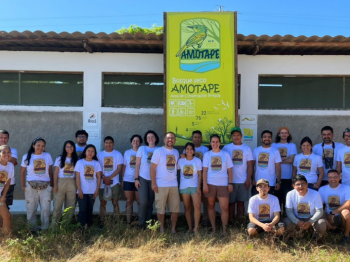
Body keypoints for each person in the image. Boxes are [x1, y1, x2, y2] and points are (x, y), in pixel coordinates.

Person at [20, 137, 53, 231]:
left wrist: (52, 184)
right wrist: (23, 185)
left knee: (46, 207)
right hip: (30, 185)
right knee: (31, 207)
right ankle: (32, 228)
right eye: (38, 145)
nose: (40, 147)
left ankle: (45, 228)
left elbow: (51, 171)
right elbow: (22, 172)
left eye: (43, 146)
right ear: (33, 145)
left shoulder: (47, 156)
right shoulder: (26, 156)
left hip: (45, 186)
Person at [203, 134, 233, 234]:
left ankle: (224, 230)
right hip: (210, 183)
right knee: (210, 206)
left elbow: (230, 170)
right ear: (210, 143)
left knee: (224, 207)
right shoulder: (207, 154)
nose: (215, 144)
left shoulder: (225, 154)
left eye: (217, 142)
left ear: (219, 143)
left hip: (223, 184)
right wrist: (205, 184)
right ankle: (214, 229)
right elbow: (204, 171)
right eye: (213, 142)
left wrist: (230, 183)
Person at [151, 132, 180, 234]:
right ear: (164, 140)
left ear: (175, 140)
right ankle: (162, 229)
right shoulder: (159, 151)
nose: (170, 140)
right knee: (160, 208)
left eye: (172, 138)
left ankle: (173, 229)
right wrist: (153, 183)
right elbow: (152, 168)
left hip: (173, 184)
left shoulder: (176, 152)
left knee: (175, 208)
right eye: (168, 138)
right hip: (161, 185)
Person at [223, 127, 253, 223]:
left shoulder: (247, 148)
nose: (236, 137)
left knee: (241, 203)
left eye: (238, 135)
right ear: (231, 137)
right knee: (231, 203)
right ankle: (231, 221)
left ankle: (240, 221)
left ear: (241, 136)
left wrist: (248, 179)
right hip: (230, 181)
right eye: (234, 135)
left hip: (243, 180)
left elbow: (250, 165)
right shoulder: (226, 148)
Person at [283, 175, 326, 239]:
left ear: (307, 184)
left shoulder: (315, 194)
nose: (301, 186)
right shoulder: (290, 194)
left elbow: (319, 211)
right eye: (298, 184)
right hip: (297, 218)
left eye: (303, 184)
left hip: (311, 218)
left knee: (321, 223)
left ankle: (315, 239)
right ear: (294, 186)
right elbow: (289, 211)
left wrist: (310, 221)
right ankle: (294, 237)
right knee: (287, 222)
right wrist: (297, 221)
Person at [135, 130, 159, 229]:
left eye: (152, 137)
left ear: (156, 138)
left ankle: (148, 223)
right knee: (143, 202)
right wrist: (136, 179)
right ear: (146, 139)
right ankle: (141, 223)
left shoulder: (159, 149)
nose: (150, 139)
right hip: (143, 178)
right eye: (148, 137)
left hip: (155, 180)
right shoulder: (142, 148)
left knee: (150, 203)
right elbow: (137, 165)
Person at [318, 169, 350, 245]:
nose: (333, 179)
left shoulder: (346, 188)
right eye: (330, 177)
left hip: (341, 216)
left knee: (346, 212)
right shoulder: (322, 189)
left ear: (339, 178)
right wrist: (325, 219)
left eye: (335, 177)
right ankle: (331, 230)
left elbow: (348, 204)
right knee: (318, 214)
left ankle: (346, 236)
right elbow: (319, 207)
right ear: (327, 178)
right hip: (328, 216)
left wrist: (333, 212)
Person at [97, 136, 123, 227]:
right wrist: (104, 177)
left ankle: (117, 221)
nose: (108, 144)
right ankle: (102, 222)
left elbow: (119, 169)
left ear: (113, 144)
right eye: (107, 142)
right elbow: (98, 169)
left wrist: (109, 178)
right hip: (102, 183)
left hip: (114, 182)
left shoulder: (118, 154)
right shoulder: (99, 155)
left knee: (115, 202)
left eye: (110, 142)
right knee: (103, 203)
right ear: (104, 144)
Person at [51, 140, 79, 227]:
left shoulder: (77, 159)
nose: (69, 148)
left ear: (74, 148)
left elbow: (78, 174)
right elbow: (55, 172)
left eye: (71, 146)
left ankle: (65, 226)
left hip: (72, 182)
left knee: (70, 206)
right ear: (64, 148)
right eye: (67, 146)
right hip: (61, 182)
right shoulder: (60, 158)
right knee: (57, 206)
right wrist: (55, 185)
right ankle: (54, 227)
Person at [178, 142, 202, 235]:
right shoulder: (181, 161)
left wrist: (199, 187)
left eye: (191, 149)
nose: (189, 151)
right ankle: (190, 228)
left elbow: (200, 174)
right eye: (187, 149)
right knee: (187, 207)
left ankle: (196, 228)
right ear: (185, 150)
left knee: (197, 206)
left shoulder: (197, 161)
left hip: (195, 186)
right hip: (184, 187)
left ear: (194, 151)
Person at [75, 144, 102, 227]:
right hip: (82, 191)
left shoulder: (96, 163)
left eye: (92, 151)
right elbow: (77, 177)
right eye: (88, 151)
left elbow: (99, 177)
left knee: (90, 210)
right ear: (85, 152)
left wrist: (97, 190)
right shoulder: (80, 162)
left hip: (92, 190)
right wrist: (79, 189)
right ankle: (81, 227)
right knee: (82, 210)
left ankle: (89, 226)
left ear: (94, 153)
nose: (90, 153)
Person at [272, 127, 297, 214]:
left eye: (286, 133)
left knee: (287, 200)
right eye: (282, 133)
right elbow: (272, 161)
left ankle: (287, 219)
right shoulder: (274, 145)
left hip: (288, 177)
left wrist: (278, 160)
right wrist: (287, 158)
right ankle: (278, 219)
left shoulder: (292, 145)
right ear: (279, 134)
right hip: (276, 178)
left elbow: (292, 160)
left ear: (288, 134)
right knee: (277, 200)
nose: (284, 134)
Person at [252, 130, 282, 196]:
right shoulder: (256, 150)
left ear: (271, 139)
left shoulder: (275, 151)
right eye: (265, 137)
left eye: (269, 137)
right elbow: (252, 166)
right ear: (261, 139)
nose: (267, 139)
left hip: (271, 183)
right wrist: (253, 179)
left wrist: (278, 182)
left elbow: (278, 167)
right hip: (257, 182)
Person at [122, 134, 142, 224]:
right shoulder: (127, 152)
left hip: (139, 179)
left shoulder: (143, 152)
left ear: (140, 143)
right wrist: (122, 180)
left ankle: (140, 221)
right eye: (134, 141)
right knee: (129, 201)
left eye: (137, 141)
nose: (135, 142)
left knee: (139, 201)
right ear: (131, 142)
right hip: (128, 180)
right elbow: (124, 167)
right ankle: (128, 222)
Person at [0, 130, 18, 209]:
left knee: (5, 206)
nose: (3, 140)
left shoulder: (13, 150)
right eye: (1, 137)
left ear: (8, 139)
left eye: (5, 138)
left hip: (8, 183)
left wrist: (4, 158)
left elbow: (11, 161)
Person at [0, 145, 14, 235]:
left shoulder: (10, 166)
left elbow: (8, 182)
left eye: (8, 152)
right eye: (4, 152)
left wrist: (3, 197)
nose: (6, 154)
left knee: (7, 216)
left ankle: (7, 240)